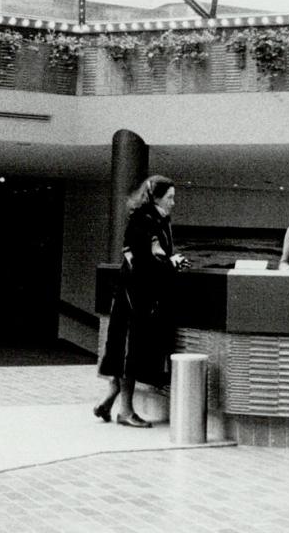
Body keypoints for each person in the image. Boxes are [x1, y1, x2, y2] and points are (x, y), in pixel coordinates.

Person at [95, 174, 188, 427]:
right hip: (135, 297)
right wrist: (172, 263)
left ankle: (109, 401)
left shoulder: (149, 219)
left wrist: (168, 261)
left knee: (121, 350)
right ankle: (125, 411)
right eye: (170, 197)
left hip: (131, 294)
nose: (173, 202)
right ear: (156, 197)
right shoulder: (146, 221)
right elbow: (147, 261)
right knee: (129, 352)